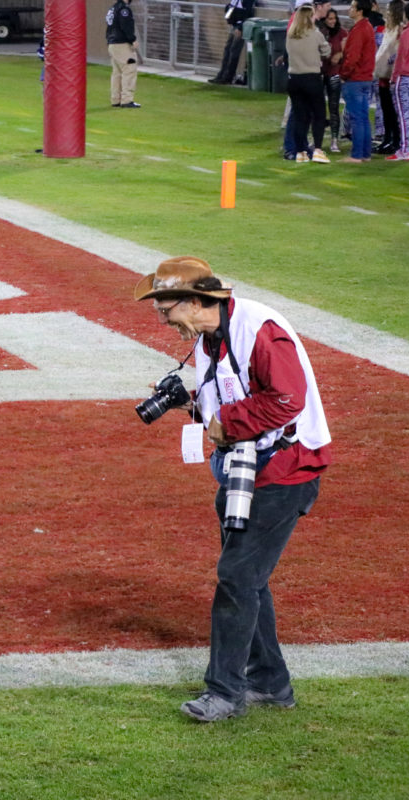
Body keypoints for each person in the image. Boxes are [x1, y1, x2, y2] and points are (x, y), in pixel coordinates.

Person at [134, 256, 331, 723]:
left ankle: (224, 692)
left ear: (197, 300)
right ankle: (270, 683)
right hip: (245, 467)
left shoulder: (259, 329)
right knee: (248, 579)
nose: (162, 319)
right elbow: (222, 412)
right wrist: (194, 408)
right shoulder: (208, 338)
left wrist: (229, 423)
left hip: (286, 469)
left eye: (165, 309)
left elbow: (287, 399)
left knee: (237, 579)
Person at [286, 3, 333, 162]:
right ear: (308, 18)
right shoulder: (315, 33)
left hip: (294, 80)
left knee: (300, 117)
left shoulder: (290, 34)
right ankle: (318, 150)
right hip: (311, 79)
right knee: (319, 115)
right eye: (313, 15)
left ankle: (300, 153)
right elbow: (327, 52)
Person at [341, 0, 378, 161]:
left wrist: (343, 74)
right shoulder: (368, 27)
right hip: (366, 78)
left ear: (359, 11)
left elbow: (352, 57)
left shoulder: (358, 30)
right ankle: (365, 154)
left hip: (355, 79)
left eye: (352, 7)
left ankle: (356, 155)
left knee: (356, 118)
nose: (349, 9)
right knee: (363, 117)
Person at [388, 1, 409, 160]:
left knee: (402, 114)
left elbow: (400, 59)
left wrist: (393, 78)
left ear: (406, 14)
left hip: (405, 77)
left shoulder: (407, 34)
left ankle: (405, 149)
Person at [373, 0, 405, 153]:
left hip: (392, 76)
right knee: (386, 110)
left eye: (389, 9)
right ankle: (387, 139)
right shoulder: (389, 29)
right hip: (383, 75)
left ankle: (396, 141)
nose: (386, 12)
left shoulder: (400, 30)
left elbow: (397, 53)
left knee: (393, 111)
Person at [318, 7, 348, 152]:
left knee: (334, 107)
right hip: (319, 72)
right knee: (317, 108)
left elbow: (347, 50)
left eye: (334, 18)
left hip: (334, 73)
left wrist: (340, 54)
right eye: (329, 19)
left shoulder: (342, 33)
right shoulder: (319, 32)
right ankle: (317, 139)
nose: (332, 21)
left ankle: (334, 140)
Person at [211, 0, 256, 85]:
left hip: (239, 27)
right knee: (227, 50)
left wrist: (240, 28)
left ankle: (228, 77)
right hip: (234, 25)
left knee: (233, 51)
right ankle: (221, 74)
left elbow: (248, 14)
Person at [106, 0, 141, 107]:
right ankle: (126, 100)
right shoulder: (124, 9)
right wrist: (132, 39)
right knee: (129, 69)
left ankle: (115, 99)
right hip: (122, 44)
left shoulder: (113, 8)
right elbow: (125, 25)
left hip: (112, 44)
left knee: (117, 73)